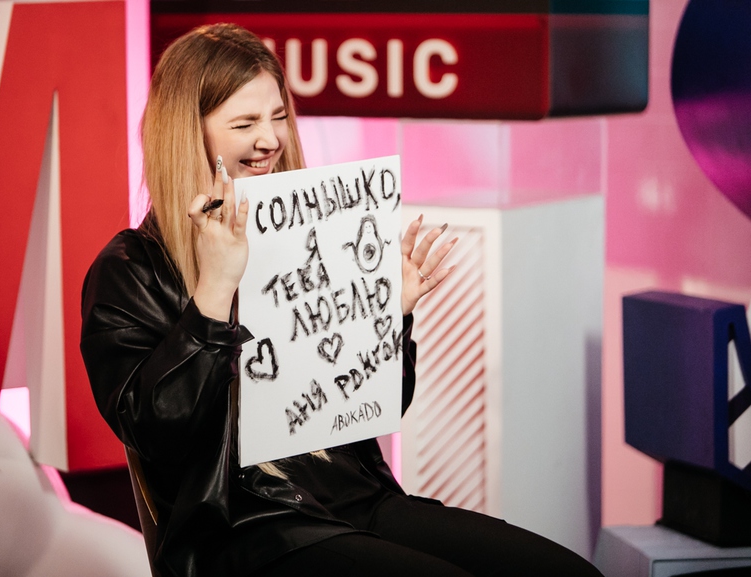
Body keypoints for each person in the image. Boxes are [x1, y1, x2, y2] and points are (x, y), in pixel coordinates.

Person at [80, 23, 605, 577]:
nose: (271, 139)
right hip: (247, 528)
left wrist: (388, 318)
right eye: (245, 123)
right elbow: (156, 432)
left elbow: (377, 405)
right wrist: (214, 291)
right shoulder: (129, 270)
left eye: (278, 117)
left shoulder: (306, 235)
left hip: (354, 499)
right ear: (189, 134)